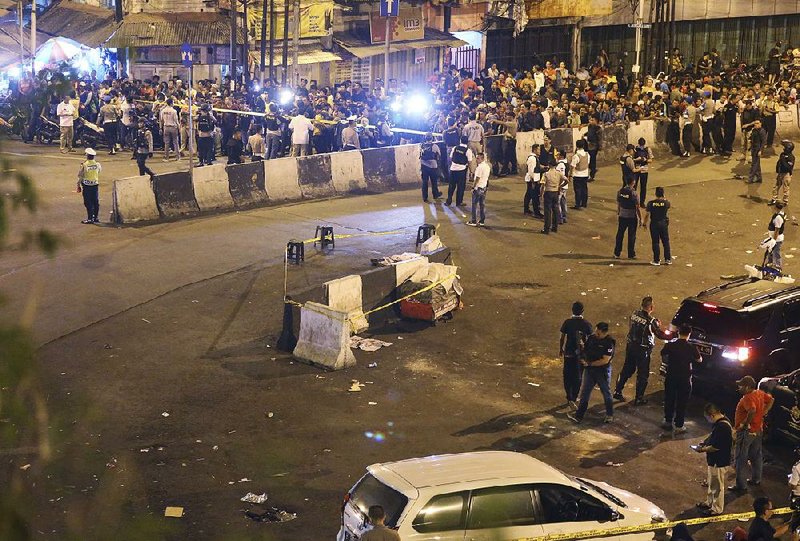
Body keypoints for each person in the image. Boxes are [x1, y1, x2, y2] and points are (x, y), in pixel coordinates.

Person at [614, 296, 670, 405]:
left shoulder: (634, 314)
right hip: (643, 350)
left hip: (631, 346)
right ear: (651, 307)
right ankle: (639, 398)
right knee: (643, 374)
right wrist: (674, 335)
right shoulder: (651, 321)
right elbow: (661, 335)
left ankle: (617, 391)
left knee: (627, 369)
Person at [730, 376, 774, 493]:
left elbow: (752, 410)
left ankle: (741, 485)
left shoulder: (747, 398)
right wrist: (764, 412)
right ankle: (756, 479)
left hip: (747, 432)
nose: (739, 388)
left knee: (741, 458)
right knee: (756, 456)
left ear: (747, 387)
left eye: (741, 386)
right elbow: (771, 400)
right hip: (758, 430)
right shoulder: (759, 393)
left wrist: (744, 423)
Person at [568, 322, 616, 424]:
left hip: (602, 371)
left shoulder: (609, 343)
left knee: (606, 392)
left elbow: (605, 360)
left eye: (598, 333)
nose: (596, 334)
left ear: (604, 333)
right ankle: (579, 416)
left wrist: (589, 364)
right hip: (590, 371)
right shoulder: (592, 338)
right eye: (596, 331)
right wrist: (581, 346)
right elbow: (586, 349)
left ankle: (609, 415)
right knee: (585, 393)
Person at [694, 403, 733, 517]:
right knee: (712, 483)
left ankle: (716, 509)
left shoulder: (723, 426)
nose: (707, 420)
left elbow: (716, 447)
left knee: (717, 486)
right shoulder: (721, 423)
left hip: (719, 461)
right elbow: (713, 436)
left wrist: (702, 450)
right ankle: (709, 502)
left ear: (711, 415)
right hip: (714, 461)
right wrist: (705, 442)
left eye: (707, 418)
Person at [661, 324, 701, 432]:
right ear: (689, 334)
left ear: (678, 332)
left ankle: (668, 421)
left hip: (671, 375)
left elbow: (663, 354)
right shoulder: (692, 347)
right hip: (685, 378)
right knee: (682, 401)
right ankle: (679, 425)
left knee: (669, 398)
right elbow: (699, 360)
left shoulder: (670, 345)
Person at [560, 301, 593, 409]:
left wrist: (561, 349)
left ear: (572, 310)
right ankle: (574, 397)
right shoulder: (586, 324)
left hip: (568, 353)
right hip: (580, 355)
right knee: (578, 376)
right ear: (582, 311)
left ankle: (569, 397)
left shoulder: (567, 322)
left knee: (567, 375)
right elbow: (590, 340)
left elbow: (562, 337)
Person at [643, 186, 672, 266]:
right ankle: (668, 259)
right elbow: (668, 205)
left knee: (655, 242)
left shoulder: (651, 203)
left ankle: (656, 260)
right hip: (663, 223)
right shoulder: (666, 203)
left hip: (654, 224)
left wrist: (644, 223)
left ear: (655, 194)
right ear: (663, 193)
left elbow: (647, 215)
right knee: (665, 241)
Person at [614, 176, 641, 259]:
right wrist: (640, 218)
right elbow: (637, 207)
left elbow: (618, 202)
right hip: (632, 216)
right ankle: (631, 254)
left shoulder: (620, 191)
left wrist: (619, 211)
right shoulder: (634, 193)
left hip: (622, 216)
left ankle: (617, 253)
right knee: (631, 235)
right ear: (633, 182)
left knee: (620, 234)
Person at [541, 156, 567, 234]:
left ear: (549, 165)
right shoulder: (559, 173)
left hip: (548, 192)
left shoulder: (546, 174)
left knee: (547, 211)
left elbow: (542, 185)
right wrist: (560, 186)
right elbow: (567, 180)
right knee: (555, 209)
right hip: (556, 192)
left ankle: (546, 229)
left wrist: (541, 194)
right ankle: (555, 227)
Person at [76, 148, 102, 224]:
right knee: (95, 201)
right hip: (95, 184)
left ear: (87, 156)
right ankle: (96, 217)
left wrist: (78, 185)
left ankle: (90, 218)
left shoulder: (84, 165)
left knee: (88, 202)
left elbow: (80, 176)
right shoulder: (97, 164)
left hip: (87, 185)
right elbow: (99, 171)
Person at [446, 136, 472, 207]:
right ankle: (459, 202)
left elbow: (451, 158)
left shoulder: (455, 148)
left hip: (453, 170)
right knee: (460, 187)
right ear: (467, 142)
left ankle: (448, 201)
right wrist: (471, 171)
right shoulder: (468, 151)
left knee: (451, 186)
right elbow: (470, 162)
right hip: (461, 171)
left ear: (460, 141)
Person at [467, 153, 491, 226]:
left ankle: (473, 221)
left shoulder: (480, 167)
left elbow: (477, 178)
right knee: (482, 204)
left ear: (482, 159)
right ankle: (482, 220)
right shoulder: (487, 166)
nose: (476, 160)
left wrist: (473, 187)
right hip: (484, 187)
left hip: (478, 188)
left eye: (478, 158)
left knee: (474, 205)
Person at [771, 140, 795, 207]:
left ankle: (785, 201)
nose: (783, 148)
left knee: (785, 188)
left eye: (785, 147)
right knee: (776, 186)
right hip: (780, 173)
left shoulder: (791, 157)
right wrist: (777, 170)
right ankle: (774, 199)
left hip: (786, 174)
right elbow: (779, 163)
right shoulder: (782, 154)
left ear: (788, 149)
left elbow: (788, 167)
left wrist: (783, 160)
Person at [420, 133, 442, 203]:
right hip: (433, 166)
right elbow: (439, 154)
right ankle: (435, 194)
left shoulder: (422, 146)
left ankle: (425, 197)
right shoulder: (435, 146)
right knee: (434, 181)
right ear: (432, 138)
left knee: (425, 182)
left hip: (424, 165)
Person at [524, 144, 544, 216]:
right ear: (535, 150)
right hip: (533, 180)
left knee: (529, 194)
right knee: (535, 196)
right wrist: (533, 181)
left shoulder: (534, 158)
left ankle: (526, 210)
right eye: (538, 150)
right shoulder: (532, 158)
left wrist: (543, 167)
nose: (540, 151)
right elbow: (531, 171)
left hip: (533, 179)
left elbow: (536, 166)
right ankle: (536, 212)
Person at [633, 138, 654, 205]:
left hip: (644, 170)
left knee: (643, 187)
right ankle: (634, 201)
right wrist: (637, 160)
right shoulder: (635, 149)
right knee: (634, 186)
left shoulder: (647, 149)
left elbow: (651, 160)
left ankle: (642, 202)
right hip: (637, 169)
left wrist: (645, 160)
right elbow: (632, 159)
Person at [766, 202, 786, 270]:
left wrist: (773, 241)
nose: (772, 208)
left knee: (776, 253)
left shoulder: (778, 218)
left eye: (773, 206)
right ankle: (770, 264)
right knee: (770, 251)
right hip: (773, 237)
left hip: (776, 239)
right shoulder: (778, 214)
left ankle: (778, 267)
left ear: (776, 207)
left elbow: (777, 230)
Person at [571, 139, 590, 209]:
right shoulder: (588, 154)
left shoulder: (576, 156)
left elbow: (573, 166)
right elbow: (587, 163)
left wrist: (570, 175)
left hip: (577, 175)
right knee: (584, 189)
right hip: (585, 174)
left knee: (577, 190)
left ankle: (578, 204)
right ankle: (584, 203)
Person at [585, 115, 602, 181]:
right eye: (590, 120)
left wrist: (599, 147)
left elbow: (600, 138)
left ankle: (592, 175)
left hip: (594, 146)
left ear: (596, 121)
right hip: (589, 145)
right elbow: (589, 133)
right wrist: (585, 134)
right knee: (589, 161)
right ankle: (593, 170)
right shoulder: (590, 126)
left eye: (592, 120)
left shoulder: (598, 129)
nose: (591, 121)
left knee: (592, 161)